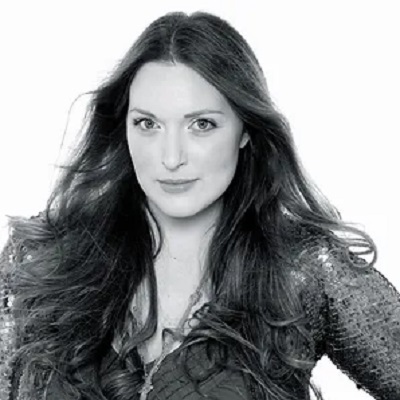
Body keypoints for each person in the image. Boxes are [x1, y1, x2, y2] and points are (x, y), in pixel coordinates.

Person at [0, 10, 399, 400]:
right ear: (124, 128)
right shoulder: (39, 260)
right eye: (148, 124)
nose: (171, 157)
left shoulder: (305, 272)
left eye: (201, 125)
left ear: (245, 130)